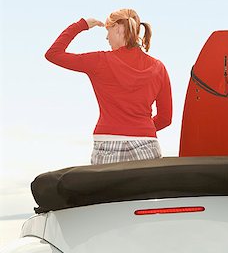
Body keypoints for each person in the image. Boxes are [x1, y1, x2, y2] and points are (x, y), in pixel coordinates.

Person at [45, 8, 172, 164]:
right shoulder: (158, 67)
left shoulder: (100, 61)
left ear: (118, 29)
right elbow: (166, 118)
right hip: (147, 144)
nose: (107, 37)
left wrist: (81, 25)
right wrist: (139, 128)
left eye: (108, 31)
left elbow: (53, 54)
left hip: (108, 143)